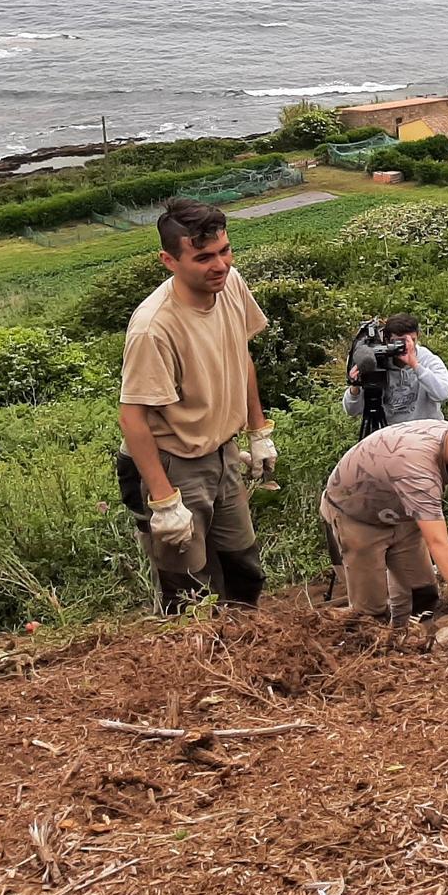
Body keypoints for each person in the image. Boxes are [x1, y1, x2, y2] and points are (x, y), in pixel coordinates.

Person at [116, 197, 275, 612]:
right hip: (173, 460)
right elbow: (132, 418)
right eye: (203, 257)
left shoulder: (230, 284)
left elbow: (241, 356)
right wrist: (165, 502)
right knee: (187, 585)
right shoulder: (154, 327)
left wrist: (258, 431)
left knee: (244, 567)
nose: (219, 265)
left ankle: (245, 644)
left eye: (224, 251)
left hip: (222, 452)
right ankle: (197, 662)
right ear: (169, 260)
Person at [319, 404, 448, 623]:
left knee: (422, 595)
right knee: (369, 614)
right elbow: (437, 541)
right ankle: (353, 642)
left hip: (400, 512)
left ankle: (405, 641)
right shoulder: (418, 469)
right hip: (356, 517)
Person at [342, 313, 448, 426]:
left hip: (426, 430)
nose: (407, 346)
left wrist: (415, 365)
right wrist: (356, 385)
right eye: (400, 342)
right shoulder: (378, 361)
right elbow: (351, 410)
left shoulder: (428, 360)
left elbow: (442, 394)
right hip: (393, 434)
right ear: (387, 340)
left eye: (412, 340)